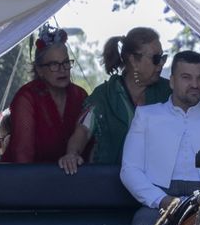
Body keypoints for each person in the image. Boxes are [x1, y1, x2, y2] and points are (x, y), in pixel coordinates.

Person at [120, 50, 200, 225]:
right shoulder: (146, 116)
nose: (195, 85)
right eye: (186, 77)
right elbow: (129, 170)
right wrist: (161, 200)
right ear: (172, 81)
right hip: (159, 201)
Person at [58, 27, 171, 173]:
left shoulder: (169, 92)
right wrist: (72, 154)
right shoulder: (104, 95)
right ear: (133, 61)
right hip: (108, 180)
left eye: (163, 57)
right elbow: (83, 130)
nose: (161, 63)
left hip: (156, 181)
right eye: (156, 58)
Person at [2, 27, 87, 164]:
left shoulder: (80, 95)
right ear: (39, 70)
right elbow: (22, 154)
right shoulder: (26, 98)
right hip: (27, 175)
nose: (62, 69)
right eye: (54, 64)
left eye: (66, 62)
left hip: (71, 175)